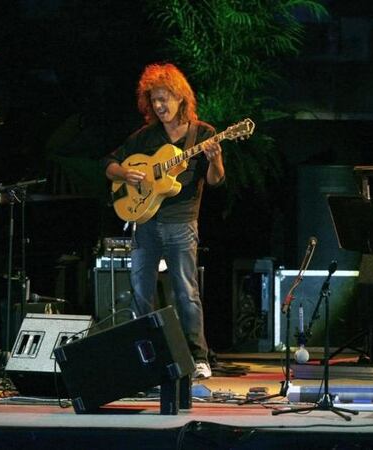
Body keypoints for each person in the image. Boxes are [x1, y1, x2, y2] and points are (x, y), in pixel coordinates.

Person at [103, 63, 224, 379]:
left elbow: (215, 180)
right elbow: (109, 164)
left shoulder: (204, 134)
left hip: (182, 223)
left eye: (165, 98)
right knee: (141, 291)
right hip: (146, 223)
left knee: (186, 292)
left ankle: (199, 357)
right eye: (154, 100)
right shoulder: (146, 136)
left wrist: (216, 160)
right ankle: (151, 355)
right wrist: (125, 172)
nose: (159, 106)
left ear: (180, 97)